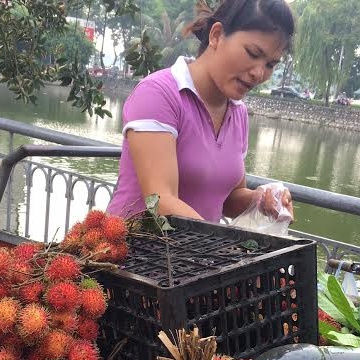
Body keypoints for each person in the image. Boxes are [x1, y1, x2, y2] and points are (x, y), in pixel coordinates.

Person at [106, 0, 295, 223]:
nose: (259, 73)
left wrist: (261, 198)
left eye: (270, 65)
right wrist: (216, 245)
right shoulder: (159, 94)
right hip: (131, 250)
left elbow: (227, 200)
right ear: (216, 35)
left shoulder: (238, 113)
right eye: (253, 53)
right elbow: (160, 202)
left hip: (192, 254)